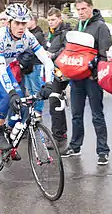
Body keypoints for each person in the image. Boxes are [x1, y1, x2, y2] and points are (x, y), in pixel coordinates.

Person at [0, 3, 54, 160]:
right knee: (7, 95)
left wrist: (49, 83)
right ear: (9, 22)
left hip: (5, 69)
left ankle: (9, 138)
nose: (21, 27)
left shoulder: (28, 37)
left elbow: (47, 61)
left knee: (23, 105)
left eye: (24, 23)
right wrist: (11, 92)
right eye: (17, 23)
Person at [61, 0, 112, 165]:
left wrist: (96, 74)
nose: (81, 12)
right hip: (77, 78)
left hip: (92, 79)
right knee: (76, 115)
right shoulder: (78, 26)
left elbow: (106, 54)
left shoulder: (100, 27)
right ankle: (75, 146)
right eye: (78, 10)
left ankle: (103, 151)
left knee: (97, 115)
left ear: (91, 8)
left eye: (83, 9)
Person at [45, 8, 70, 147]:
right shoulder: (52, 33)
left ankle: (57, 135)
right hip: (53, 70)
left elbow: (67, 49)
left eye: (53, 19)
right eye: (48, 20)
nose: (51, 22)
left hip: (62, 71)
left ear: (60, 19)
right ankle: (61, 132)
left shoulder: (64, 32)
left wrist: (53, 55)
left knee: (54, 100)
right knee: (57, 100)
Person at [25, 15, 46, 119]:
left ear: (33, 21)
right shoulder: (29, 33)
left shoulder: (38, 34)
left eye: (28, 21)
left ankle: (38, 110)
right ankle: (33, 109)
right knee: (30, 89)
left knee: (36, 89)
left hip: (35, 64)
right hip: (27, 65)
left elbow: (29, 49)